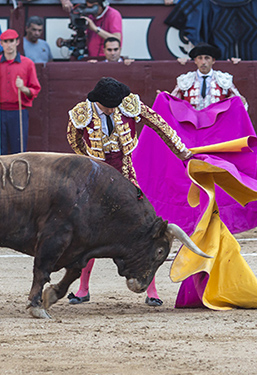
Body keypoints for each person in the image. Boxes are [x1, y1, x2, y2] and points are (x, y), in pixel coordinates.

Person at [66, 77, 192, 306]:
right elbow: (73, 140)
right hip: (97, 177)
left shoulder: (128, 104)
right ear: (98, 102)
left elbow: (159, 123)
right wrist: (89, 160)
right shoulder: (82, 113)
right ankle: (82, 288)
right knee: (90, 230)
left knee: (143, 229)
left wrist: (182, 152)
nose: (114, 108)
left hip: (126, 173)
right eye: (109, 105)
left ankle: (152, 291)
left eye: (116, 103)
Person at [0, 29, 41, 155]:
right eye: (6, 42)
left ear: (17, 42)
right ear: (1, 43)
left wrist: (23, 88)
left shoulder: (27, 64)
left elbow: (35, 89)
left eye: (11, 41)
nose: (9, 45)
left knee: (19, 149)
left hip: (18, 111)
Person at [170, 42, 248, 110]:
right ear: (195, 61)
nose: (203, 62)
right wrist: (163, 99)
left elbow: (240, 104)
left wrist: (242, 102)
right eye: (200, 58)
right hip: (192, 125)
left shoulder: (223, 79)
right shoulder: (185, 80)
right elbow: (172, 103)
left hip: (217, 124)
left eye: (207, 58)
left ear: (213, 61)